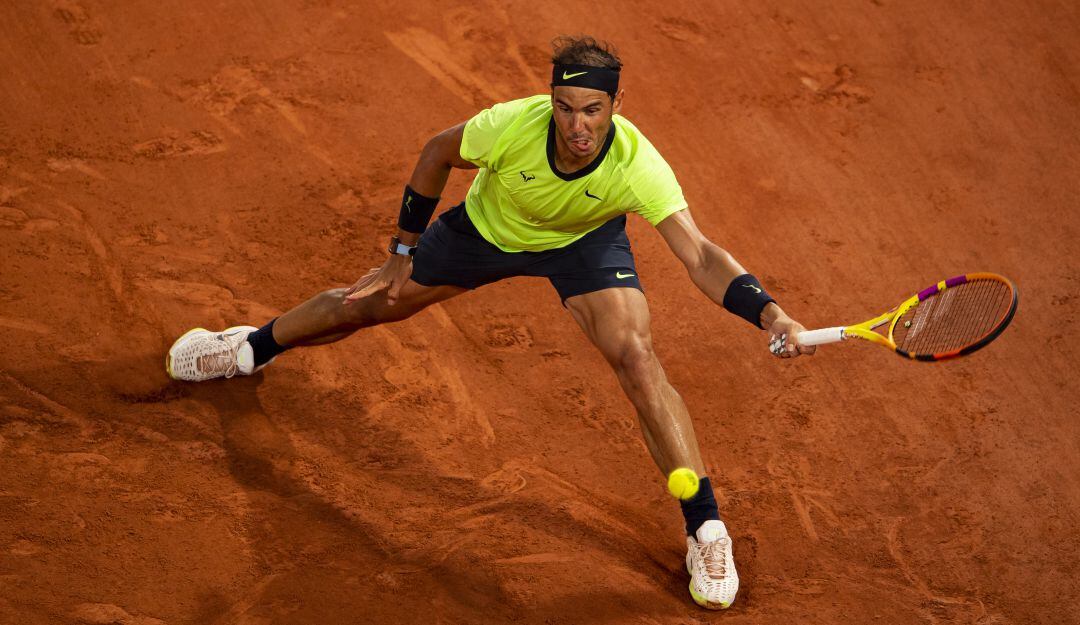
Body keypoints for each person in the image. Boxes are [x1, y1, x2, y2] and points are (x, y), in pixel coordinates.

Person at [165, 35, 815, 610]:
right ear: (551, 101)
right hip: (485, 232)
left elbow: (699, 255)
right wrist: (398, 254)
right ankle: (248, 346)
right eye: (566, 107)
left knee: (637, 357)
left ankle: (705, 529)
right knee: (367, 303)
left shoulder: (637, 164)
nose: (577, 124)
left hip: (583, 245)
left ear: (614, 108)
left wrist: (769, 311)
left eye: (592, 110)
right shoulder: (512, 125)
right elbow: (435, 154)